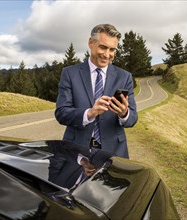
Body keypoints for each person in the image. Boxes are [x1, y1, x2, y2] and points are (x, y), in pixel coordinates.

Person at [55, 23, 137, 160]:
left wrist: (124, 114)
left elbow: (133, 118)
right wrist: (90, 113)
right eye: (103, 47)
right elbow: (61, 113)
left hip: (114, 153)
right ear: (90, 43)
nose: (107, 54)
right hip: (75, 151)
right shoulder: (70, 73)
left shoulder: (124, 77)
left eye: (112, 50)